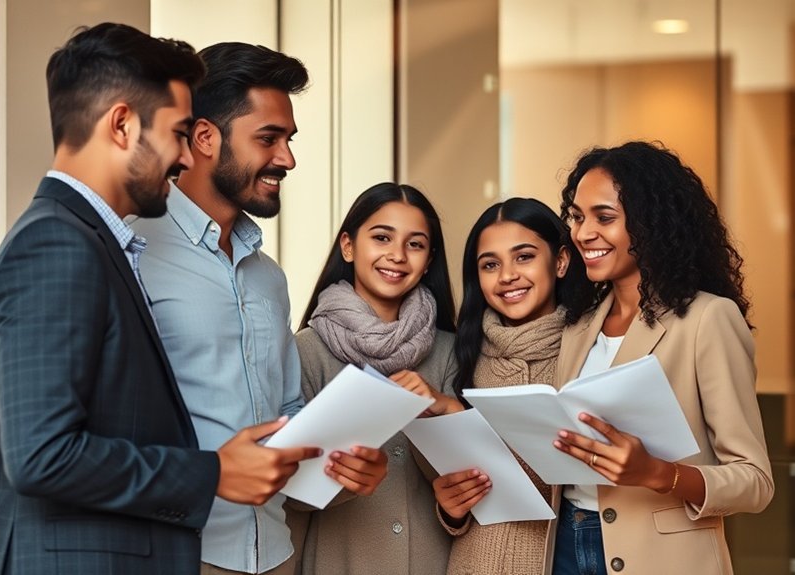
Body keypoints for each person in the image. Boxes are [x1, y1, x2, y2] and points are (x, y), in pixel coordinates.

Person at [0, 23, 320, 575]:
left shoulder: (94, 240)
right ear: (123, 124)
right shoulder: (56, 244)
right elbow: (39, 456)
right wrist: (213, 474)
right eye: (179, 132)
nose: (185, 157)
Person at [131, 43, 387, 575]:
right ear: (204, 137)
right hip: (180, 554)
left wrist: (340, 464)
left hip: (275, 553)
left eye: (288, 140)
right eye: (268, 139)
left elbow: (287, 412)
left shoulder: (268, 277)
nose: (287, 159)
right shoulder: (134, 255)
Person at [552, 141, 774, 574]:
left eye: (605, 218)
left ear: (652, 224)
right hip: (564, 545)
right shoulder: (578, 325)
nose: (583, 233)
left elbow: (755, 481)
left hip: (660, 558)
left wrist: (658, 473)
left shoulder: (707, 319)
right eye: (577, 217)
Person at [286, 182, 460, 574]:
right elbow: (290, 487)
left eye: (415, 244)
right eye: (382, 237)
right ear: (348, 246)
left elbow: (467, 479)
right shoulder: (306, 350)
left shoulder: (450, 351)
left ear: (429, 259)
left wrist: (442, 411)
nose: (397, 256)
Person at [432, 198, 587, 574]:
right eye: (490, 264)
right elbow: (457, 497)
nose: (507, 276)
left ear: (561, 261)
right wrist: (450, 509)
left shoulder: (588, 353)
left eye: (524, 257)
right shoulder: (461, 356)